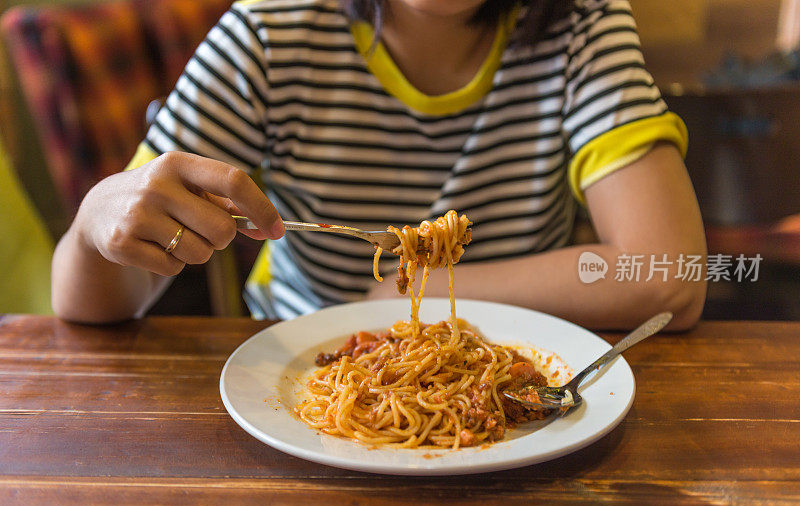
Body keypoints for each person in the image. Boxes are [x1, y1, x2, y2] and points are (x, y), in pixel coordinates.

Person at [51, 0, 707, 330]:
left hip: (516, 372)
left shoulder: (581, 21)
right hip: (297, 374)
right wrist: (93, 228)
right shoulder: (272, 31)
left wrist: (394, 295)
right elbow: (98, 304)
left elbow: (671, 275)